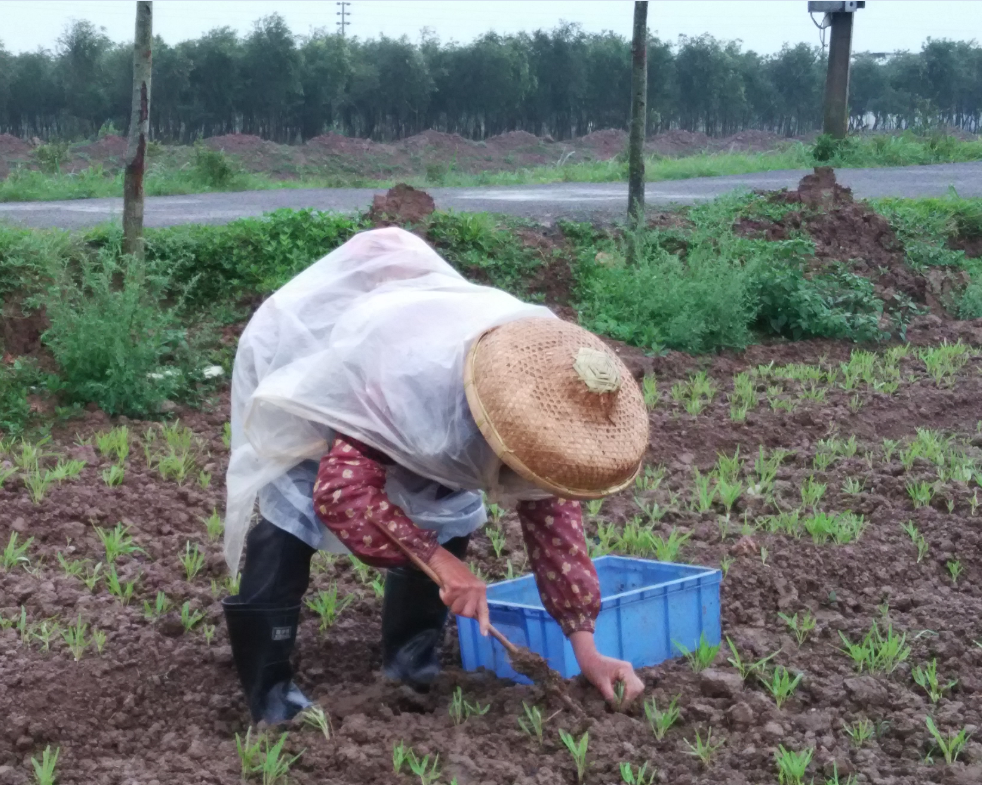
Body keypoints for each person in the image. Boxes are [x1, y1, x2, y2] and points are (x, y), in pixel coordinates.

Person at [221, 227, 650, 724]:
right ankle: (269, 692)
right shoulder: (412, 383)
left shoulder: (546, 418)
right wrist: (442, 564)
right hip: (318, 374)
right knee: (288, 515)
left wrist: (587, 648)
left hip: (417, 375)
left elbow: (556, 530)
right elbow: (340, 494)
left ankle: (410, 664)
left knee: (446, 508)